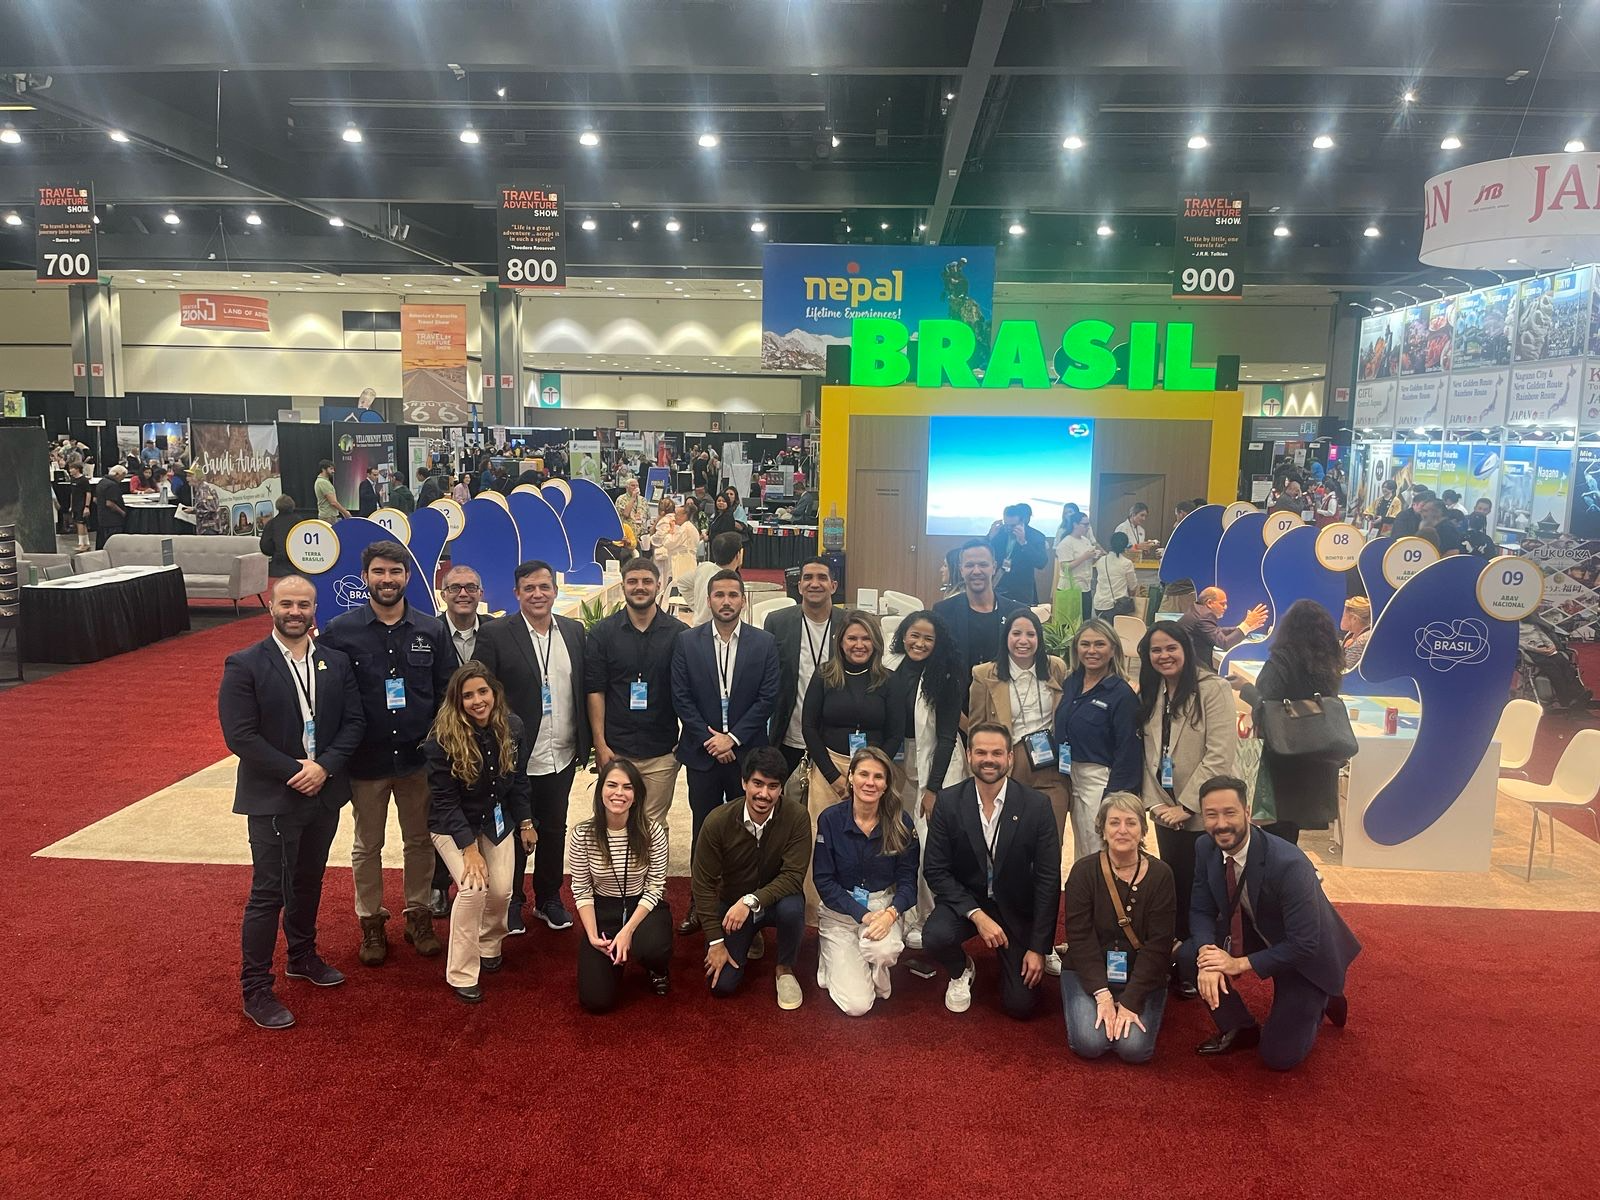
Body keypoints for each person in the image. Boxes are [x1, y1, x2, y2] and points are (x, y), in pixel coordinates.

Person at [219, 576, 365, 1029]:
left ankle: (302, 956)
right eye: (287, 604)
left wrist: (325, 768)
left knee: (308, 881)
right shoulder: (245, 664)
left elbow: (354, 722)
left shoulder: (335, 662)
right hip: (274, 798)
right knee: (268, 892)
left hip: (324, 792)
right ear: (272, 607)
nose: (295, 611)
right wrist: (294, 771)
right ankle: (256, 988)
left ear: (315, 608)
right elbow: (240, 736)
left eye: (304, 604)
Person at [317, 542, 452, 965]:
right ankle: (371, 922)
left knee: (419, 841)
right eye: (379, 571)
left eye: (395, 571)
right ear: (365, 577)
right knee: (367, 845)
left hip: (417, 760)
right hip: (366, 761)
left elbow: (446, 694)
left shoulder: (431, 630)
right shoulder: (340, 631)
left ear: (408, 577)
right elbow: (329, 696)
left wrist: (438, 747)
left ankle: (418, 916)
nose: (387, 579)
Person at [1180, 776, 1359, 1069]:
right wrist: (1206, 956)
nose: (1221, 824)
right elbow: (1200, 908)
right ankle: (1240, 1027)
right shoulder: (1205, 846)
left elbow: (1304, 943)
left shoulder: (1289, 863)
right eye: (1211, 815)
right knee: (1190, 954)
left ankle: (1326, 994)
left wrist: (1238, 964)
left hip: (1305, 955)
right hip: (1255, 929)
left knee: (1279, 1057)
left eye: (1229, 813)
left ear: (1247, 812)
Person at [475, 559, 591, 935]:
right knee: (513, 830)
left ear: (555, 590)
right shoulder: (496, 634)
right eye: (529, 588)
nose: (538, 594)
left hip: (562, 751)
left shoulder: (574, 631)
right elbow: (481, 691)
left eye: (544, 587)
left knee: (554, 828)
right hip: (514, 756)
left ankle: (548, 898)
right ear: (517, 594)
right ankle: (512, 900)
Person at [923, 722, 1062, 1018]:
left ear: (1010, 757)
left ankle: (1018, 955)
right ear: (969, 755)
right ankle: (961, 969)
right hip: (968, 900)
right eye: (981, 752)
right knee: (935, 935)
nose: (989, 759)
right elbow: (934, 869)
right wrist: (976, 914)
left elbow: (1048, 880)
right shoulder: (948, 802)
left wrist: (1039, 947)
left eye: (997, 753)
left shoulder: (1037, 806)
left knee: (1021, 1006)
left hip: (1015, 905)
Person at [671, 569, 781, 933]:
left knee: (747, 830)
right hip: (702, 754)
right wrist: (711, 740)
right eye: (719, 595)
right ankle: (699, 904)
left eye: (733, 595)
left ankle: (744, 904)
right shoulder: (687, 641)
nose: (726, 601)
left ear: (743, 600)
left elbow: (768, 698)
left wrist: (732, 739)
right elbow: (681, 697)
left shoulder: (764, 643)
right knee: (704, 829)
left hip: (746, 757)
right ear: (709, 600)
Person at [422, 664, 535, 1003]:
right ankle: (461, 971)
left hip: (496, 820)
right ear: (457, 701)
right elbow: (445, 802)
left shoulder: (512, 727)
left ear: (494, 692)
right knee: (473, 889)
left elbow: (518, 780)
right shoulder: (440, 739)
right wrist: (469, 849)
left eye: (482, 692)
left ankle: (489, 943)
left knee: (501, 891)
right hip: (453, 825)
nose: (477, 701)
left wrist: (526, 823)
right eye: (467, 695)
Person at [1137, 621, 1236, 994]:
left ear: (1186, 650)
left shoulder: (1213, 689)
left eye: (1171, 648)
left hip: (1202, 812)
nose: (1164, 656)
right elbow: (1148, 751)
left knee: (1204, 893)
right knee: (1175, 887)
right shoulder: (1154, 690)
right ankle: (1179, 959)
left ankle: (1202, 965)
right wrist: (1154, 803)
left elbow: (1220, 754)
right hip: (1165, 811)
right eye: (1156, 650)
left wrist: (1187, 806)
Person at [800, 610, 904, 920]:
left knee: (873, 837)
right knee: (821, 838)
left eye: (865, 638)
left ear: (876, 642)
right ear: (841, 642)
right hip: (830, 767)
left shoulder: (889, 680)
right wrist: (834, 776)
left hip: (875, 772)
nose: (859, 644)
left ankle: (874, 911)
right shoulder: (824, 675)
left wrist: (875, 773)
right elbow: (809, 727)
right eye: (852, 638)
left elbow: (895, 733)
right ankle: (816, 915)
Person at [1061, 794, 1176, 1063]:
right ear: (1102, 829)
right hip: (1088, 970)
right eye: (1114, 822)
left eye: (1131, 823)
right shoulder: (1082, 871)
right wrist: (1102, 995)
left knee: (1133, 1049)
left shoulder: (1161, 875)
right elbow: (1079, 937)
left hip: (1141, 972)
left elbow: (1159, 944)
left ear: (1143, 830)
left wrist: (1130, 1001)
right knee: (1091, 1043)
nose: (1122, 830)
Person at [692, 746, 810, 1010]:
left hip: (774, 900)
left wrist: (750, 901)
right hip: (732, 906)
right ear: (744, 782)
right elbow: (703, 885)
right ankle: (751, 934)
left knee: (793, 908)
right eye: (757, 783)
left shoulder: (797, 817)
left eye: (773, 786)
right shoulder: (717, 821)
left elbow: (793, 876)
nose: (764, 794)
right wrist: (715, 941)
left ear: (781, 789)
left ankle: (784, 968)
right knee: (722, 986)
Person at [812, 746, 918, 1016]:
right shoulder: (830, 820)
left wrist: (890, 915)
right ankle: (833, 957)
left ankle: (864, 962)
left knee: (884, 951)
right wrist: (863, 915)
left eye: (878, 777)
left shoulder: (902, 823)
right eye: (863, 774)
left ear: (886, 784)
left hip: (883, 907)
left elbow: (908, 883)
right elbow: (823, 881)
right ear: (850, 777)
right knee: (857, 1006)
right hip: (840, 911)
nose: (870, 782)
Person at [885, 609, 966, 948]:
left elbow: (946, 736)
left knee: (930, 842)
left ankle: (931, 915)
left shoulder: (945, 673)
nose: (919, 643)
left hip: (938, 764)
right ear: (903, 635)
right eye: (914, 635)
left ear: (938, 642)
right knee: (902, 837)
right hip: (900, 761)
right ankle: (903, 909)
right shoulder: (890, 667)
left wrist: (933, 790)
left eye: (928, 638)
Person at [585, 557, 687, 825]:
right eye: (632, 581)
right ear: (623, 586)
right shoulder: (603, 633)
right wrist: (600, 744)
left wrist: (686, 737)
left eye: (646, 581)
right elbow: (595, 690)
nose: (639, 587)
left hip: (661, 750)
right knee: (615, 821)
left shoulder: (679, 634)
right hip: (616, 749)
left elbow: (688, 690)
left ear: (658, 585)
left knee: (653, 825)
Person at [570, 757, 674, 1012]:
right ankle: (613, 961)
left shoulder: (653, 832)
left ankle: (656, 967)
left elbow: (655, 886)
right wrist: (593, 936)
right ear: (600, 791)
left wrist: (627, 931)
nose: (619, 793)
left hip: (643, 905)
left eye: (627, 787)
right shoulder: (582, 835)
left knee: (651, 947)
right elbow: (581, 889)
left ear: (636, 796)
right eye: (612, 785)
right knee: (596, 1002)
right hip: (604, 908)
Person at [968, 608, 1071, 861]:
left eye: (1030, 634)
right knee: (1011, 847)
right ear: (1006, 637)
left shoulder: (1055, 668)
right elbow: (976, 727)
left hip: (1050, 767)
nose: (1023, 641)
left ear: (1039, 639)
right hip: (1009, 766)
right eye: (1016, 633)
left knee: (1050, 845)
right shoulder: (985, 674)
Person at [1245, 599, 1346, 845]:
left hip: (1280, 752)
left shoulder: (1281, 660)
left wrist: (1245, 689)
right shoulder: (1329, 663)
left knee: (1270, 827)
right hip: (1312, 753)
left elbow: (1266, 705)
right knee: (1290, 828)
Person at [1055, 618, 1141, 859]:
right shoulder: (1071, 683)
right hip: (1069, 775)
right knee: (1082, 844)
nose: (1091, 650)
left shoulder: (1121, 694)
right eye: (1085, 644)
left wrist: (1114, 796)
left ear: (1113, 650)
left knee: (1099, 845)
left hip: (1099, 780)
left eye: (1099, 644)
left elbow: (1128, 749)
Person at [765, 556, 846, 779]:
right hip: (789, 736)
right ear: (799, 585)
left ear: (833, 586)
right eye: (808, 578)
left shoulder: (849, 623)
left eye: (822, 578)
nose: (814, 583)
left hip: (833, 741)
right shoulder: (777, 623)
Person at [932, 538, 1026, 676]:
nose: (976, 571)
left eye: (983, 564)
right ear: (961, 569)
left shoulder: (1016, 612)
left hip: (1003, 687)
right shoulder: (943, 611)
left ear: (994, 567)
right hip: (959, 688)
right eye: (970, 565)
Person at [1177, 586, 1269, 668]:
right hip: (1193, 669)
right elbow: (1225, 644)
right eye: (1222, 604)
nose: (1225, 607)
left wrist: (1244, 628)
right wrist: (1246, 626)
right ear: (1209, 603)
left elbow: (1216, 631)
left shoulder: (1197, 609)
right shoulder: (1205, 616)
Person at [989, 502, 1050, 605]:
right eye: (1006, 524)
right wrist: (990, 537)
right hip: (999, 584)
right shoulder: (999, 532)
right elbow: (984, 552)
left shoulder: (1036, 536)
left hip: (1021, 588)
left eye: (1013, 525)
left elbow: (1041, 563)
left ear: (1022, 522)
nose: (1009, 528)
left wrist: (1023, 543)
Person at [688, 531, 744, 626]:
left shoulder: (704, 567)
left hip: (698, 625)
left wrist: (697, 607)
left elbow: (682, 582)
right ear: (738, 555)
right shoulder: (731, 582)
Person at [1054, 511, 1101, 620]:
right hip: (1070, 588)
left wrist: (1095, 557)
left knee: (1085, 620)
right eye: (1085, 524)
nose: (1087, 528)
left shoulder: (1086, 541)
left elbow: (1088, 563)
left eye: (1088, 524)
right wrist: (1084, 557)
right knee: (1070, 622)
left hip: (1085, 586)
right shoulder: (1066, 542)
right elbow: (1065, 567)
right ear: (1075, 524)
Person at [1091, 532, 1139, 620]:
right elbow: (1133, 586)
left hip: (1099, 605)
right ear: (1125, 546)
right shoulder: (1127, 563)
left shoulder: (1101, 561)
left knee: (1103, 628)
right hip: (1118, 606)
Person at [258, 495, 299, 578]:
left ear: (277, 507)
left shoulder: (271, 524)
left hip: (278, 567)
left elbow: (265, 547)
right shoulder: (300, 522)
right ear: (292, 505)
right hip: (298, 566)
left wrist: (275, 552)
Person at [94, 464, 127, 549]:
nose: (123, 479)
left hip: (102, 518)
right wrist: (122, 513)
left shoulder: (102, 482)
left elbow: (95, 499)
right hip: (113, 521)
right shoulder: (113, 485)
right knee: (113, 543)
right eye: (123, 476)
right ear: (117, 474)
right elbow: (110, 503)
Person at [1340, 597, 1372, 670]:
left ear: (1354, 619)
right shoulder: (1352, 633)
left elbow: (1346, 670)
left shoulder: (1362, 641)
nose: (1342, 618)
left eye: (1343, 615)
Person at [67, 462, 93, 551]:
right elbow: (72, 493)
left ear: (77, 469)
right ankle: (86, 543)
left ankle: (82, 544)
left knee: (81, 523)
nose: (70, 470)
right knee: (80, 523)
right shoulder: (72, 479)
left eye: (72, 468)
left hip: (81, 505)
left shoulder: (83, 480)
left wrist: (87, 506)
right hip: (75, 505)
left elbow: (88, 493)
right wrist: (71, 505)